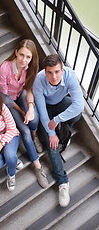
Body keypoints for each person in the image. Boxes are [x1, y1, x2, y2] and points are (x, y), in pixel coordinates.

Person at [33, 54, 84, 207]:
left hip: (61, 103)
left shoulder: (70, 76)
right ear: (45, 71)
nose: (53, 76)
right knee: (52, 144)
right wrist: (51, 134)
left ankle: (65, 133)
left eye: (57, 72)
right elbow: (42, 112)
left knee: (78, 113)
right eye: (49, 72)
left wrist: (57, 120)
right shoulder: (39, 80)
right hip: (46, 108)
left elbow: (79, 106)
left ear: (62, 70)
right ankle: (63, 182)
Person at [0, 39, 48, 189]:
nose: (24, 60)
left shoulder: (30, 68)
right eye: (21, 55)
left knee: (34, 120)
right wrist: (21, 111)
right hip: (8, 102)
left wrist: (30, 108)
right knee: (24, 131)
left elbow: (29, 90)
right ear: (16, 53)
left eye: (28, 57)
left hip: (21, 95)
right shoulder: (5, 69)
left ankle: (35, 135)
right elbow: (5, 99)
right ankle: (38, 167)